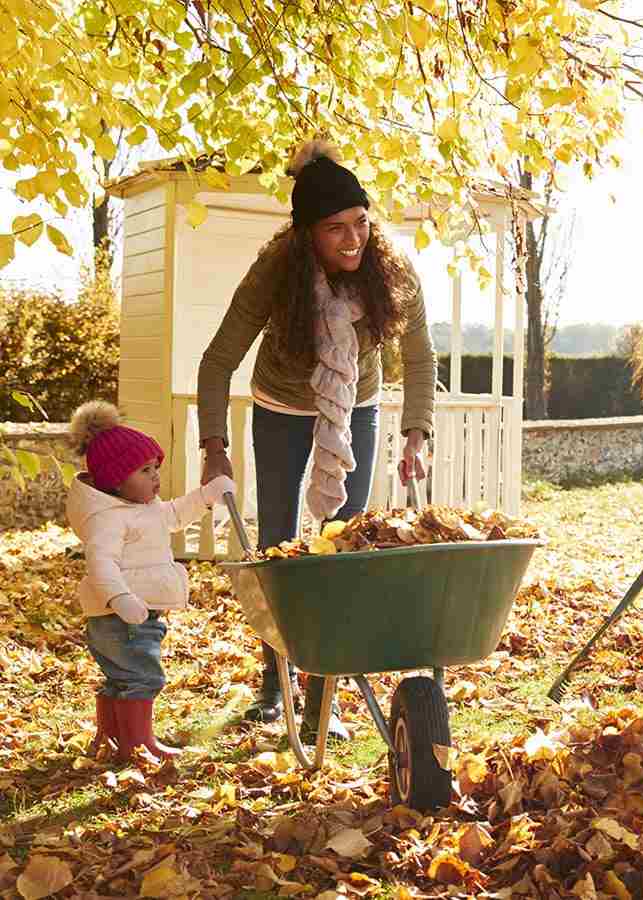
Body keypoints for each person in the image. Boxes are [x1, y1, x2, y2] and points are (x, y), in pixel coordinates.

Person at [197, 140, 437, 740]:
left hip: (354, 406)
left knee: (343, 546)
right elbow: (216, 360)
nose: (353, 239)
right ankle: (276, 684)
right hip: (281, 407)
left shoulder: (392, 270)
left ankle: (322, 696)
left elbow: (418, 355)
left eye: (360, 223)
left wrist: (416, 432)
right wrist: (214, 447)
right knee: (279, 542)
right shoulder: (274, 275)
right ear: (307, 234)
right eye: (336, 229)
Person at [66, 401, 236, 763]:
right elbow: (101, 563)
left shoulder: (142, 506)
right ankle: (138, 746)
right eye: (145, 470)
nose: (156, 477)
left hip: (133, 613)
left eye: (156, 468)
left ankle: (112, 739)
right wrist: (120, 598)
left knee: (121, 679)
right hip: (122, 616)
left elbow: (174, 515)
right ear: (114, 479)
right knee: (143, 679)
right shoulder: (107, 519)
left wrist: (207, 495)